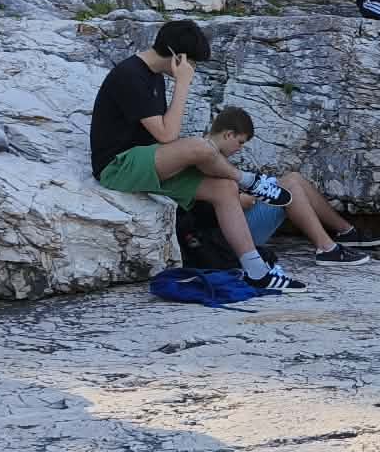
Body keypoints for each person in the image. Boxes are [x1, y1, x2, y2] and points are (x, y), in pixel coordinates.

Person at [89, 19, 307, 294]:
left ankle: (256, 271)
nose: (192, 69)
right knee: (201, 147)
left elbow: (163, 139)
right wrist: (183, 84)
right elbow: (167, 134)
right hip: (117, 166)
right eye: (192, 63)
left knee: (224, 189)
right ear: (178, 57)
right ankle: (250, 181)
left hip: (147, 162)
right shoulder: (130, 75)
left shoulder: (154, 76)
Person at [206, 106, 377, 266]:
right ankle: (327, 249)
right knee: (290, 188)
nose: (240, 148)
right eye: (240, 142)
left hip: (233, 225)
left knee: (294, 178)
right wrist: (250, 195)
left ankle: (347, 232)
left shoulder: (211, 153)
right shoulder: (207, 158)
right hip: (228, 237)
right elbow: (236, 202)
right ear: (228, 135)